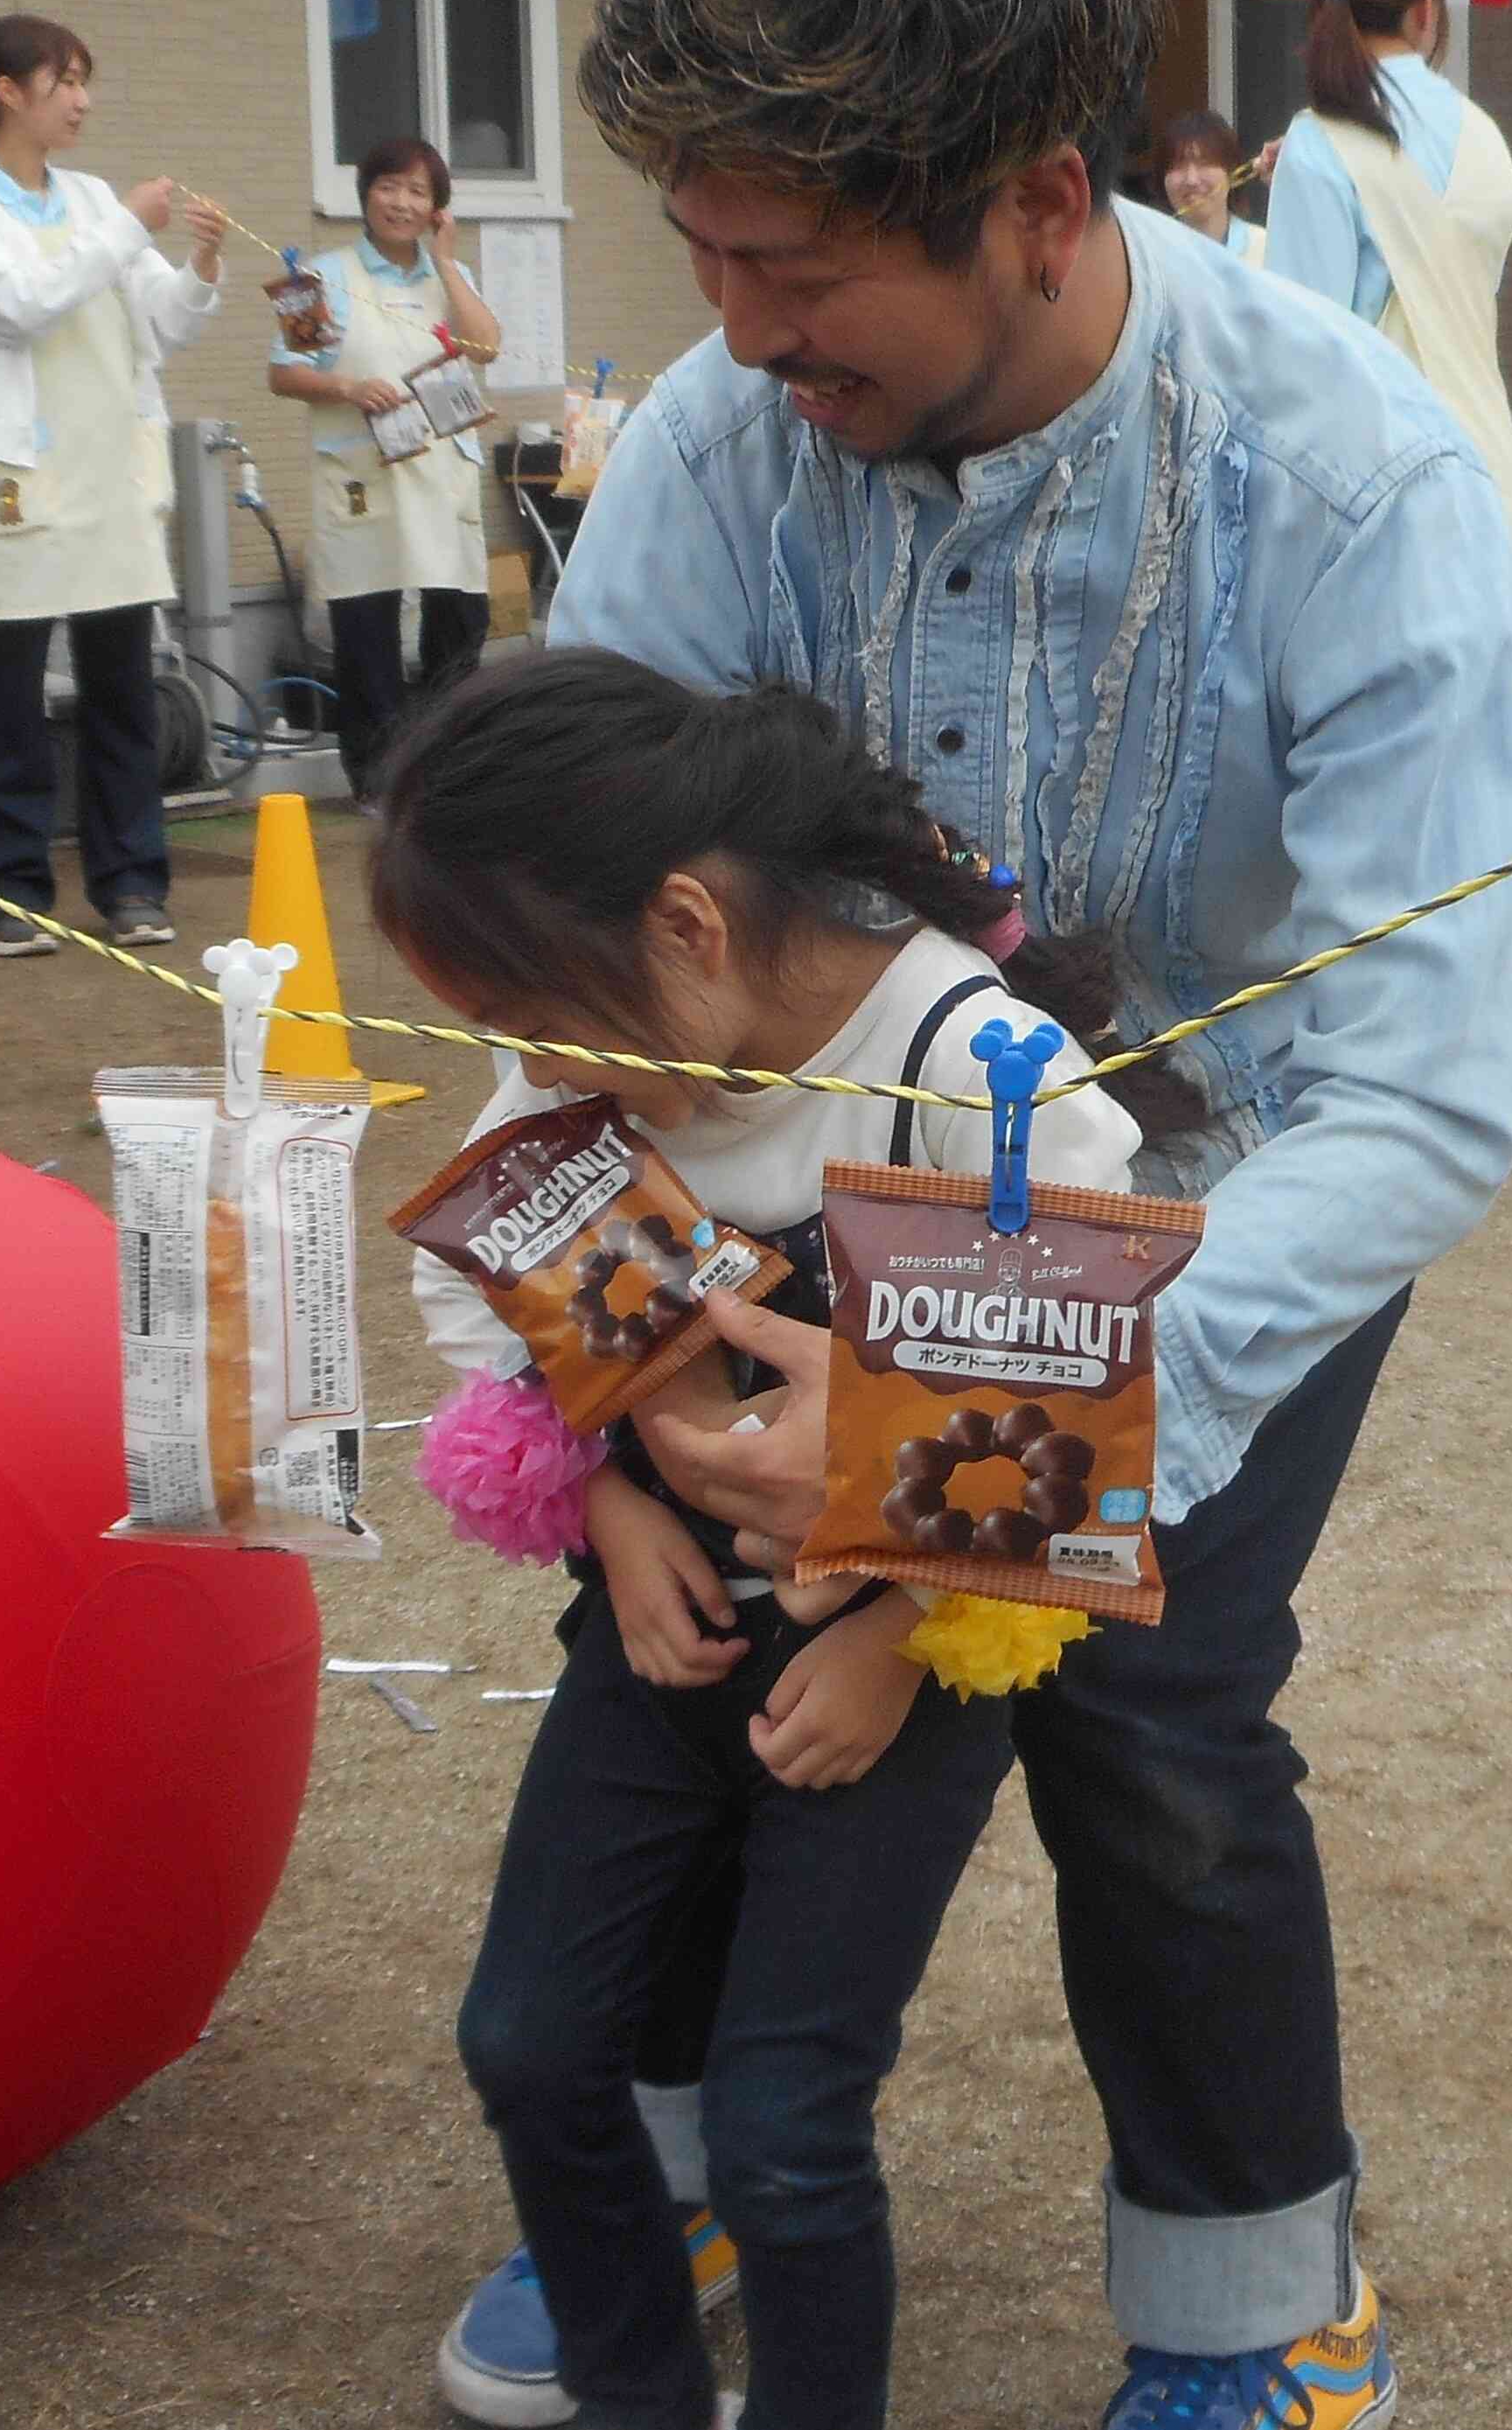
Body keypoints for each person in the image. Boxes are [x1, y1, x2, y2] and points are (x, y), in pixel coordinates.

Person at [426, 0, 1512, 2428]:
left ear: (1039, 201)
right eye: (699, 258)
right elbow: (561, 943)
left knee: (1147, 1713)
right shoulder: (712, 443)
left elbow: (1413, 1106)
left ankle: (1257, 2289)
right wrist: (614, 1369)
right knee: (686, 1622)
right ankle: (661, 2166)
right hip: (784, 1184)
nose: (727, 336)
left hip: (1204, 1194)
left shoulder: (1355, 491)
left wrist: (986, 1431)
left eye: (791, 277)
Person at [389, 653, 1155, 2430]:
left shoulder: (976, 1067)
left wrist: (894, 1643)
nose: (519, 1074)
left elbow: (1090, 1411)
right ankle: (637, 2391)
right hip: (658, 1633)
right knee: (526, 2042)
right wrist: (596, 1507)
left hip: (898, 1667)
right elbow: (478, 1308)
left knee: (786, 2126)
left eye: (535, 1021)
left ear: (685, 923)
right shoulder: (570, 1074)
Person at [0, 13, 223, 957]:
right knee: (6, 697)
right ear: (9, 92)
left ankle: (130, 884)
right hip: (18, 481)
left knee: (121, 691)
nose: (83, 101)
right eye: (65, 81)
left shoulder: (91, 197)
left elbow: (158, 327)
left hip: (107, 478)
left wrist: (199, 262)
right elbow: (19, 306)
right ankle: (11, 889)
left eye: (86, 81)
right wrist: (130, 225)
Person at [1265, 0, 1512, 612]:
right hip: (1486, 489)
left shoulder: (1317, 143)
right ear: (1426, 8)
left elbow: (1300, 355)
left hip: (1368, 500)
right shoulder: (1485, 138)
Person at [266, 135, 502, 800]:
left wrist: (449, 262)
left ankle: (449, 775)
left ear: (437, 209)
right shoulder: (315, 277)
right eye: (388, 187)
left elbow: (486, 345)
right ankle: (374, 781)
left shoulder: (449, 278)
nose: (401, 202)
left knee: (457, 623)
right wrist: (347, 387)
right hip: (362, 472)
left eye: (418, 192)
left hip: (442, 470)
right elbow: (283, 374)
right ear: (365, 194)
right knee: (365, 627)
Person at [1156, 108, 1263, 266]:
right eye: (1177, 165)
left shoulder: (1265, 248)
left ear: (1232, 172)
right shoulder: (1150, 253)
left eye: (1205, 163)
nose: (1191, 180)